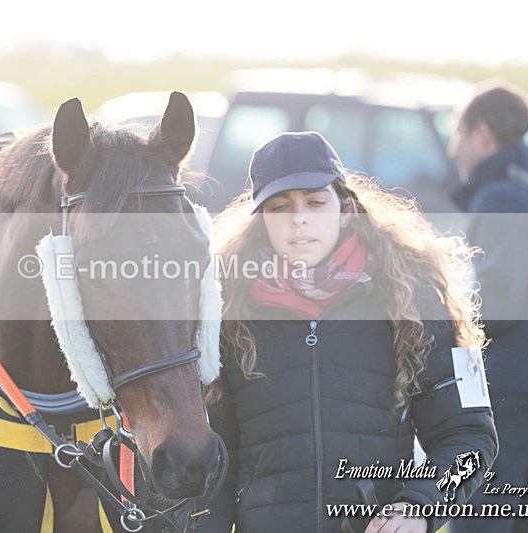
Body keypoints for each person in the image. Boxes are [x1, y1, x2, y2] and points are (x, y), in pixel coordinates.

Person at [195, 131, 497, 533]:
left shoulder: (416, 295)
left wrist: (419, 506)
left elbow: (470, 437)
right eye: (279, 207)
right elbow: (214, 461)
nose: (298, 218)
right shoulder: (224, 308)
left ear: (345, 208)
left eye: (316, 202)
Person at [448, 80, 528, 533]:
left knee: (478, 515)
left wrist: (443, 327)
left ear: (483, 134)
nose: (454, 149)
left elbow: (497, 303)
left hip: (513, 389)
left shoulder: (501, 196)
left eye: (458, 134)